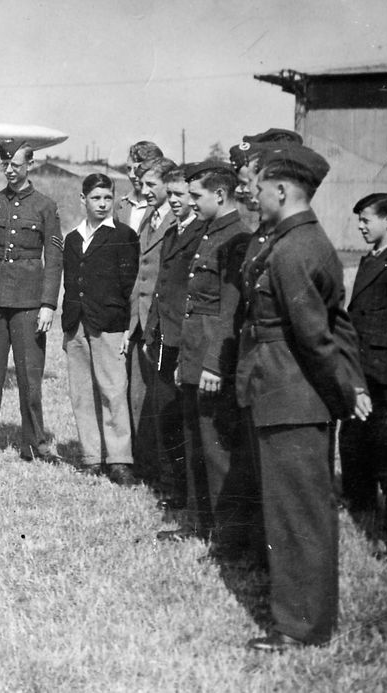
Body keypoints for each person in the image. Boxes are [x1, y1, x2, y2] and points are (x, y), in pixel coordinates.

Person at [236, 144, 370, 651]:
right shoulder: (301, 241)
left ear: (282, 189)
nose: (256, 194)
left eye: (261, 185)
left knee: (297, 517)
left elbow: (316, 337)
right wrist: (348, 385)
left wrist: (343, 393)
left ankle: (300, 626)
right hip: (287, 391)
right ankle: (303, 616)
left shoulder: (294, 249)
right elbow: (337, 324)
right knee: (297, 512)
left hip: (291, 394)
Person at [158, 162, 256, 559]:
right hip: (194, 351)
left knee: (216, 447)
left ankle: (229, 538)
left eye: (196, 196)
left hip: (214, 358)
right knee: (195, 440)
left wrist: (214, 363)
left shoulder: (237, 237)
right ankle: (200, 525)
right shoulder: (211, 232)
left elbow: (230, 309)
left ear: (220, 194)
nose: (191, 202)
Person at [0, 139, 63, 462]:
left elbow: (54, 257)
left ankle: (34, 442)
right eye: (5, 165)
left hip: (29, 304)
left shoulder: (45, 206)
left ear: (30, 165)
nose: (10, 170)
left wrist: (48, 304)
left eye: (16, 165)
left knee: (30, 380)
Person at [339, 192, 387, 558]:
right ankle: (360, 505)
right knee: (354, 441)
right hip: (362, 368)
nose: (360, 226)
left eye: (366, 219)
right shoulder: (370, 260)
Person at [62, 173, 139, 478]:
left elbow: (129, 284)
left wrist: (125, 327)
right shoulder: (72, 238)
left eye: (108, 198)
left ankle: (119, 459)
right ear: (83, 200)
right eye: (96, 198)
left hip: (109, 323)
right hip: (76, 323)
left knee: (113, 390)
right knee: (82, 391)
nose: (103, 204)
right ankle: (92, 455)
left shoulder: (124, 235)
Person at [142, 166, 204, 512]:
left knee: (183, 417)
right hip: (164, 338)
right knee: (165, 413)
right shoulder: (172, 234)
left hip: (186, 341)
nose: (176, 200)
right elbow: (160, 289)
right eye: (174, 194)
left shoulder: (199, 234)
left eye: (182, 195)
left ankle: (184, 490)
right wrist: (152, 331)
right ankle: (171, 486)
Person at [126, 156, 178, 487]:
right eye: (142, 184)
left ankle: (164, 469)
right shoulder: (146, 218)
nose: (144, 191)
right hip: (138, 323)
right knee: (137, 396)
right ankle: (143, 463)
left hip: (161, 324)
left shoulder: (176, 220)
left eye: (151, 185)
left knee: (162, 400)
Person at [116, 141, 163, 230]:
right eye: (129, 169)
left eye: (138, 169)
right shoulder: (121, 204)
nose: (131, 175)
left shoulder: (166, 205)